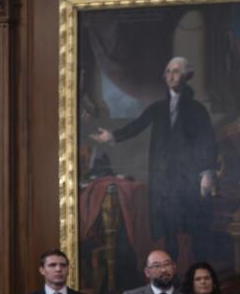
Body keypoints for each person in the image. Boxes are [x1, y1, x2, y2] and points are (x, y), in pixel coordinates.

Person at [90, 56, 218, 265]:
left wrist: (207, 173)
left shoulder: (197, 110)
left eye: (176, 71)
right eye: (168, 71)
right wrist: (112, 136)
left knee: (195, 230)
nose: (170, 75)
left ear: (186, 76)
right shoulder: (158, 108)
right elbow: (137, 125)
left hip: (189, 181)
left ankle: (197, 277)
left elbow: (207, 142)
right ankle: (172, 277)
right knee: (168, 231)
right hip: (164, 182)